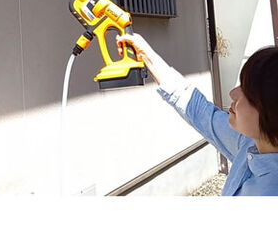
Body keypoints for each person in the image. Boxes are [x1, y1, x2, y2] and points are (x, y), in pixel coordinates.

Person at [116, 33, 278, 196]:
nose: (233, 93)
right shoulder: (249, 142)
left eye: (247, 92)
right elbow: (198, 110)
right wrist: (145, 53)